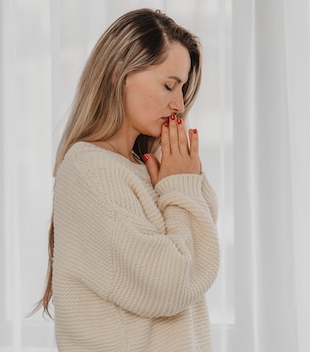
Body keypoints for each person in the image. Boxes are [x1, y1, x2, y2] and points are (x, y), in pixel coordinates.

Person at [33, 8, 220, 351]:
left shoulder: (150, 168)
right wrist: (180, 184)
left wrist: (180, 175)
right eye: (169, 85)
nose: (179, 104)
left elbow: (199, 257)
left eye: (183, 89)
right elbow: (174, 283)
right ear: (120, 73)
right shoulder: (90, 171)